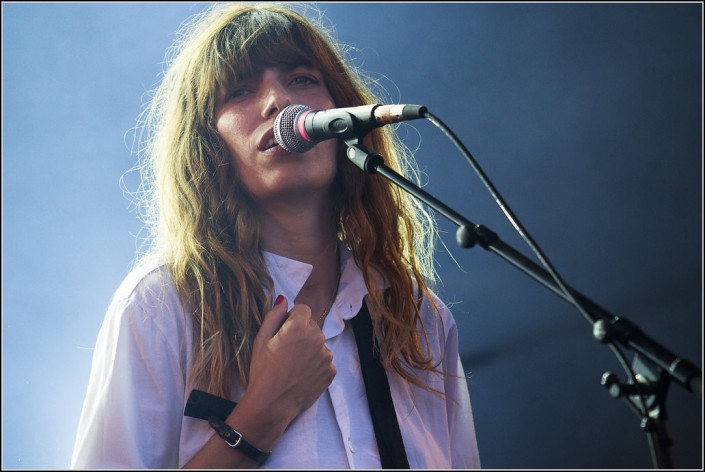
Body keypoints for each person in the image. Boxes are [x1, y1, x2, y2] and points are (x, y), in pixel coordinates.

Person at [70, 2, 481, 469]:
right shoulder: (163, 306)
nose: (278, 101)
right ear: (208, 144)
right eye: (241, 90)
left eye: (302, 79)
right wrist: (263, 413)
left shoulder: (420, 317)